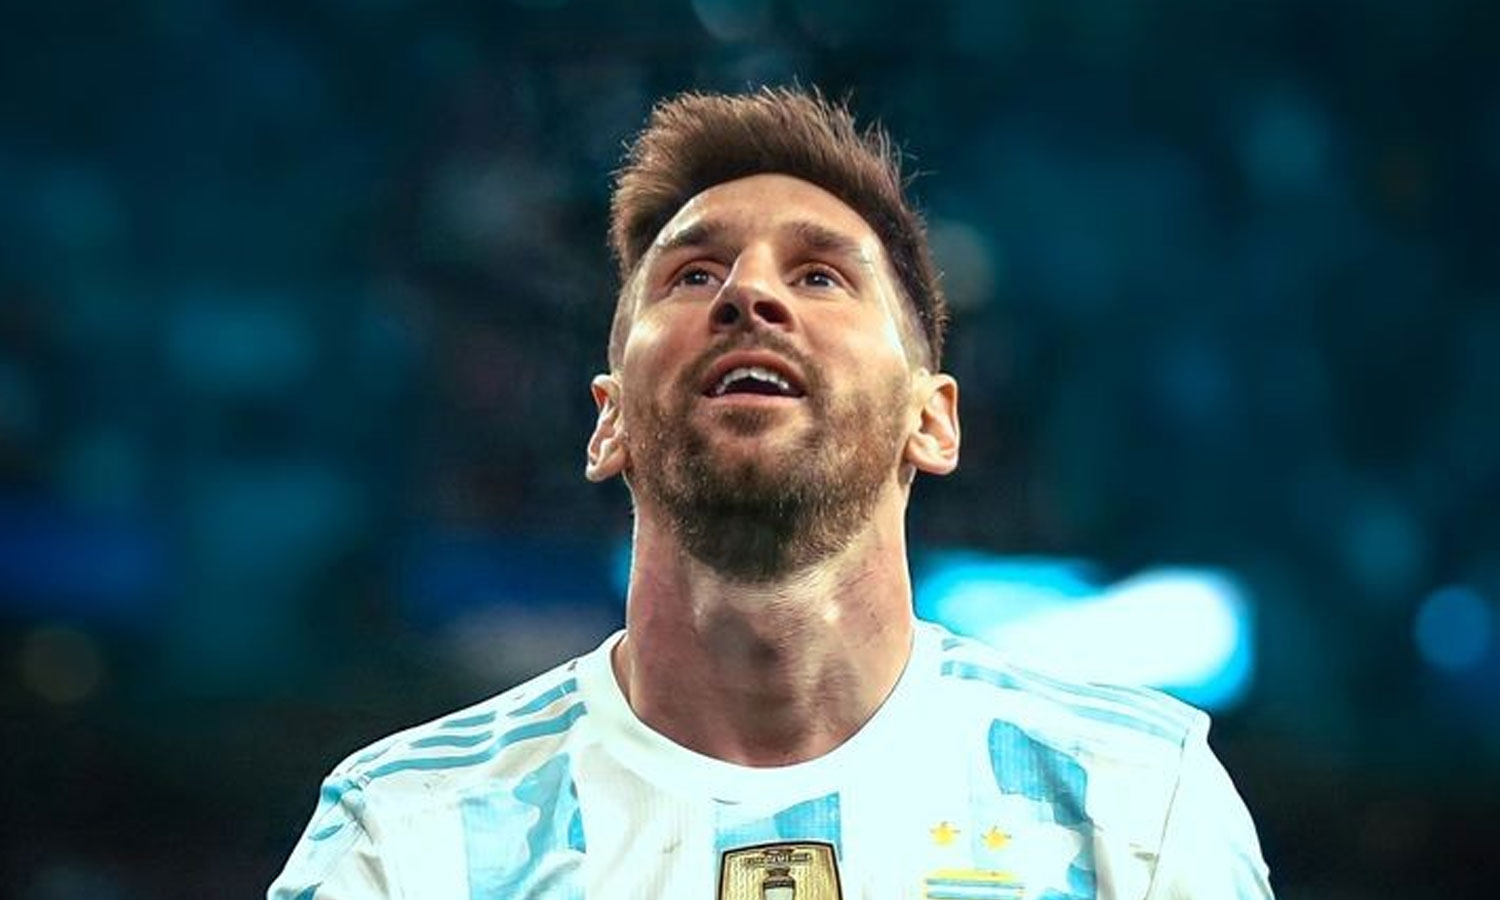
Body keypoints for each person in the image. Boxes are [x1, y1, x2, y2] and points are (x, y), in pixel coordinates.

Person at [268, 87, 1274, 900]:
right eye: (693, 276)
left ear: (933, 420)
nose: (750, 295)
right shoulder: (408, 834)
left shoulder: (1137, 807)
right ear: (608, 421)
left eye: (822, 276)